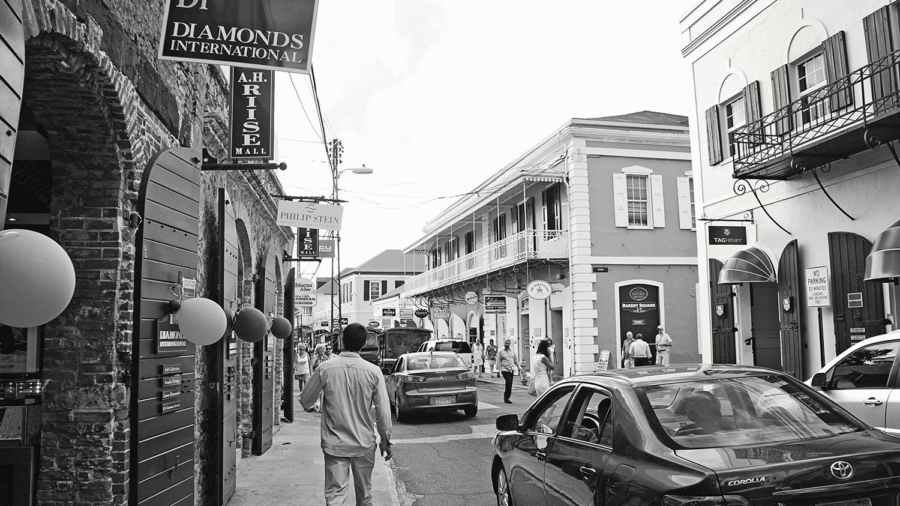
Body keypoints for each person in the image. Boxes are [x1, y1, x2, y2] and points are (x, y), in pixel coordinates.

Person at [300, 323, 392, 506]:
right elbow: (383, 410)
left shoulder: (325, 368)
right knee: (365, 496)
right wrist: (385, 439)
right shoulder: (373, 372)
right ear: (363, 344)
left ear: (342, 341)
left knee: (335, 498)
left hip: (335, 445)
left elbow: (306, 400)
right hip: (363, 443)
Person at [498, 339, 519, 403]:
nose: (507, 344)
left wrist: (519, 367)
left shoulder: (512, 351)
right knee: (508, 381)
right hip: (504, 369)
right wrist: (498, 371)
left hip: (511, 369)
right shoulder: (501, 351)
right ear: (504, 344)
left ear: (510, 344)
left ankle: (507, 397)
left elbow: (515, 360)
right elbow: (498, 361)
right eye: (506, 343)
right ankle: (506, 397)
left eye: (508, 343)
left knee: (510, 383)